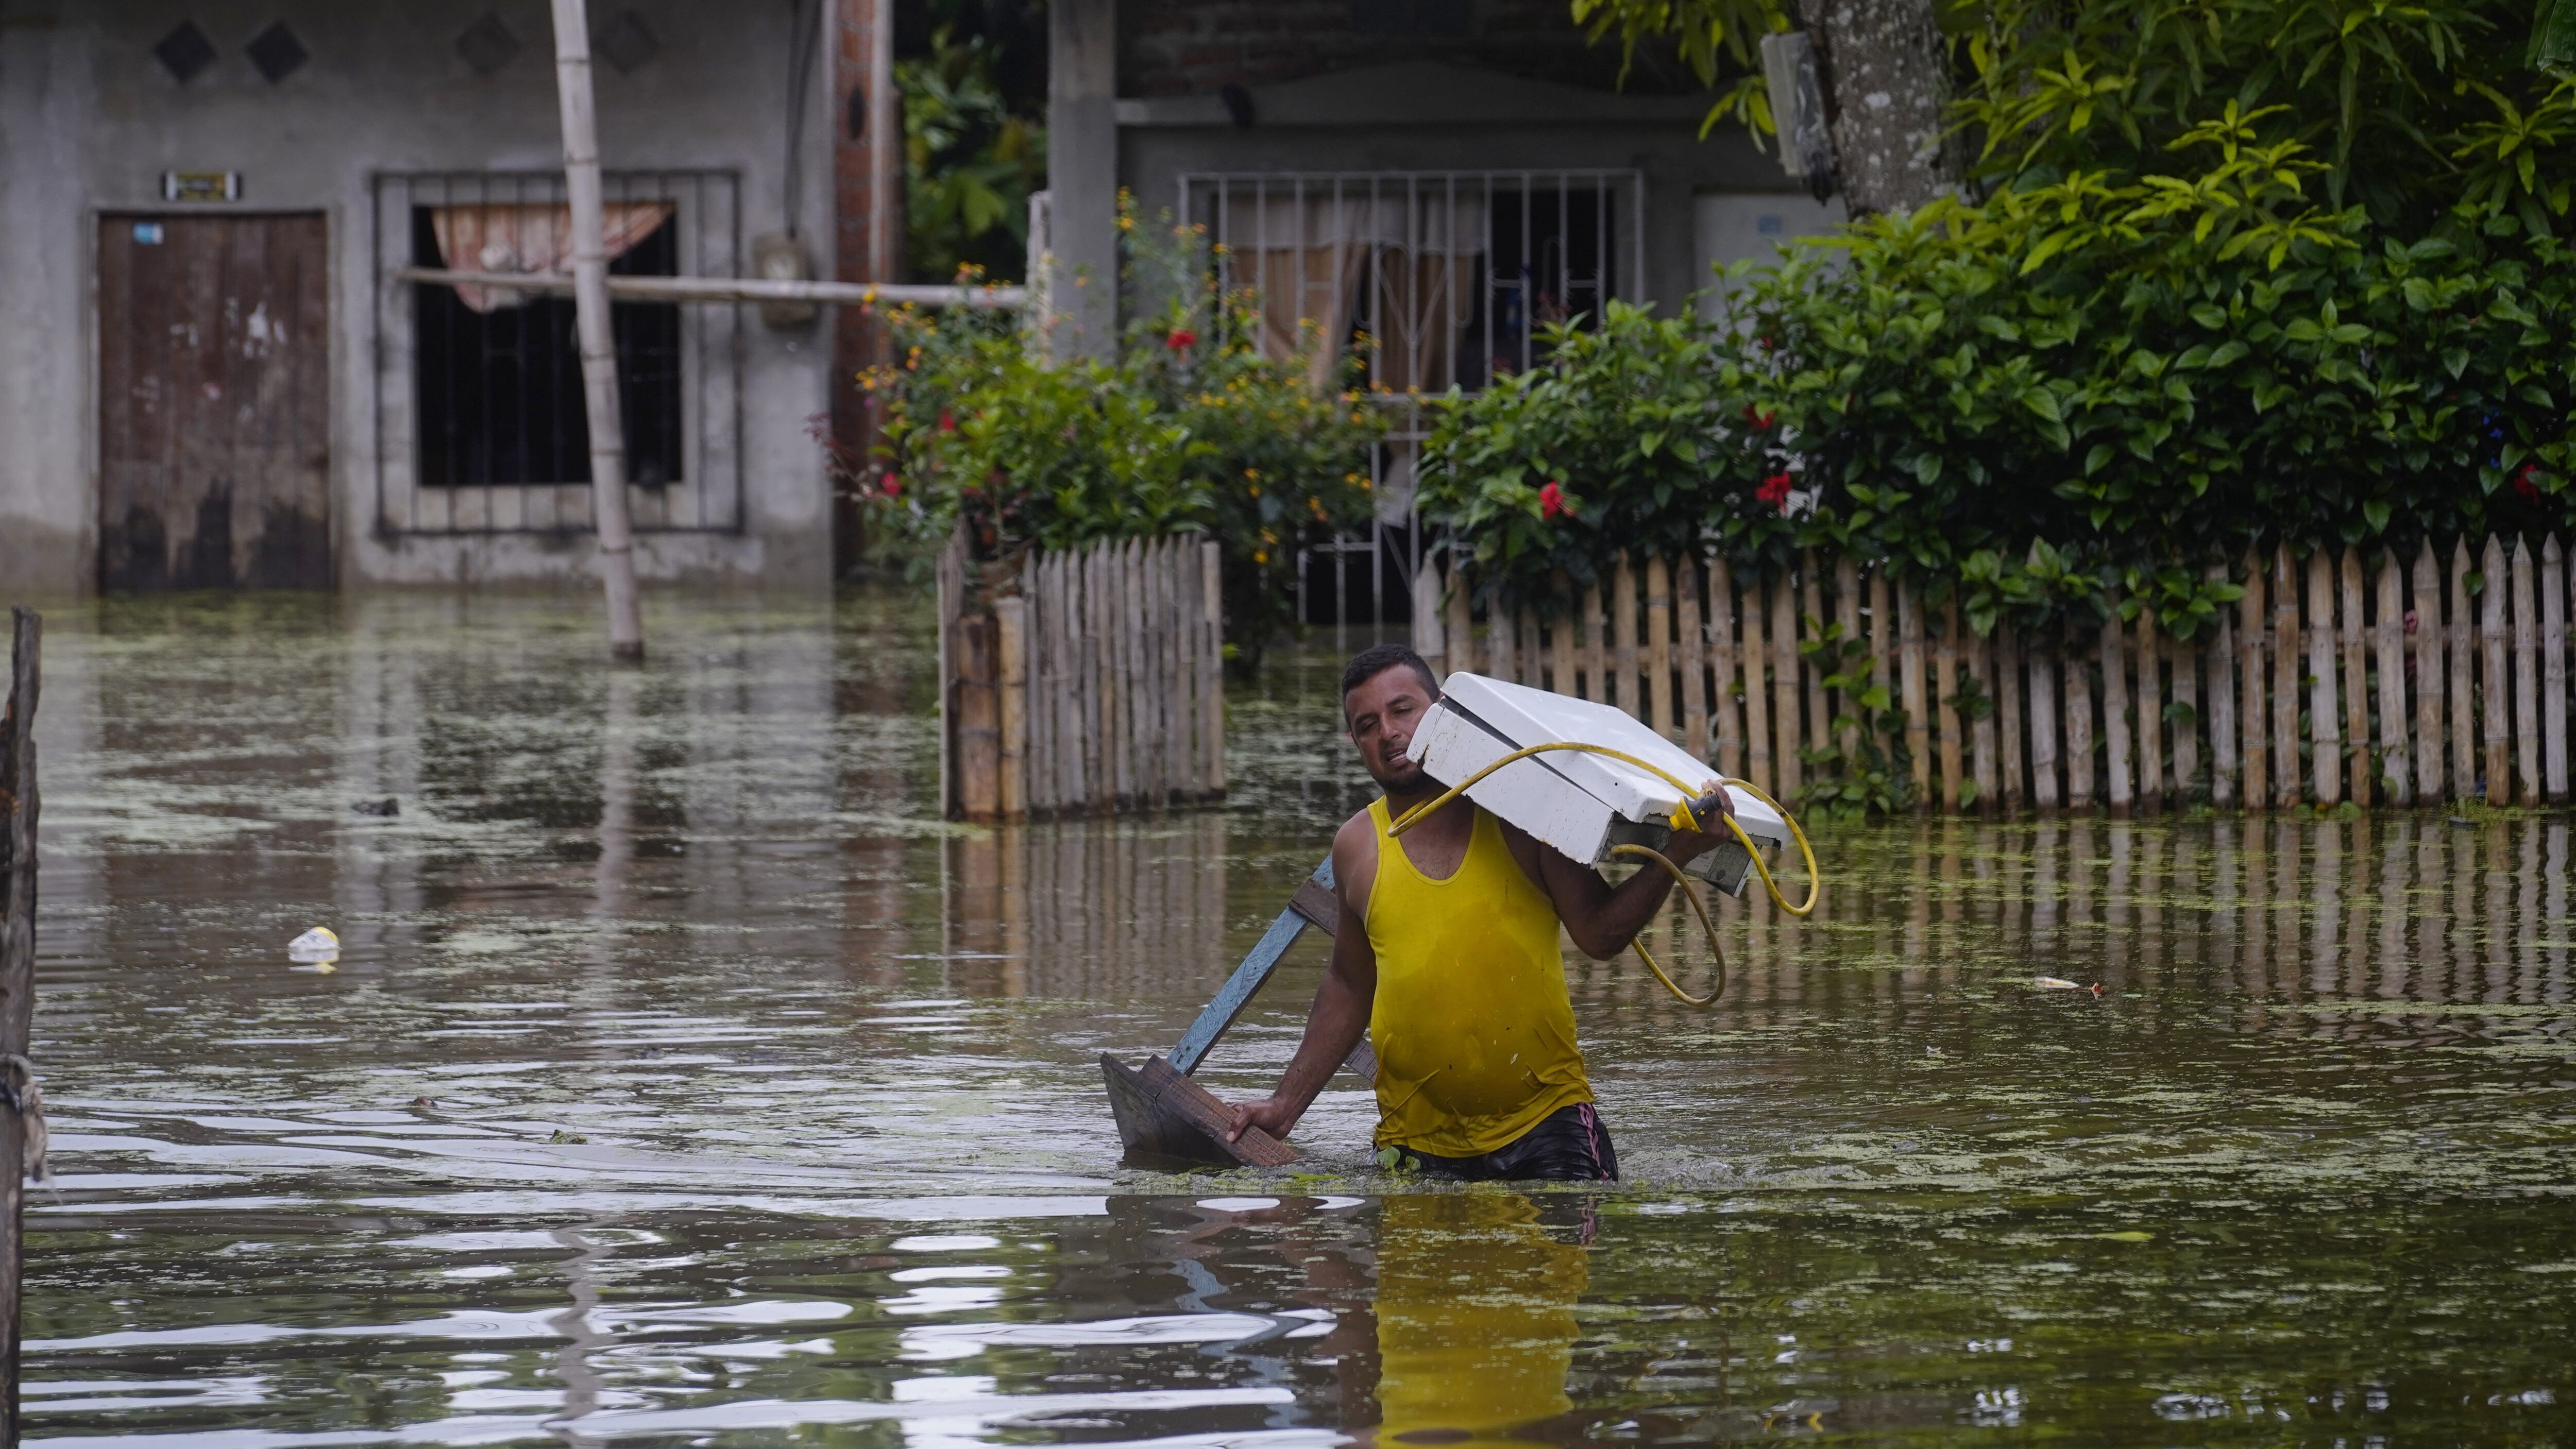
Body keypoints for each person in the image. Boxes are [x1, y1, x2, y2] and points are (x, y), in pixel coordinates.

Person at [1226, 643, 1731, 1180]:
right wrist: (1284, 1106)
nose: (1388, 733)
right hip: (1413, 1142)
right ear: (1355, 741)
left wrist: (1675, 854)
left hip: (1546, 1128)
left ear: (1442, 709)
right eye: (1367, 724)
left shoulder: (1519, 814)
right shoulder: (1355, 846)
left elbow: (1599, 932)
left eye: (1402, 710)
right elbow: (1349, 986)